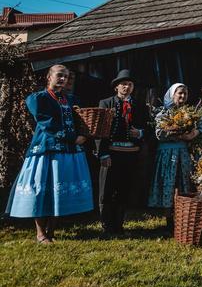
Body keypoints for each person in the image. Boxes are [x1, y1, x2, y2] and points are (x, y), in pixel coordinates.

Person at [5, 64, 93, 243]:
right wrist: (71, 137)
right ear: (49, 77)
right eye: (60, 75)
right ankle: (40, 233)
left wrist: (84, 134)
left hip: (68, 152)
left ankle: (51, 231)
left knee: (59, 192)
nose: (63, 79)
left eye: (66, 77)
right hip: (46, 151)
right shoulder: (38, 98)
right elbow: (47, 123)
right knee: (42, 191)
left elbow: (80, 121)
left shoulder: (70, 99)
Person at [98, 69, 147, 235]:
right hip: (111, 153)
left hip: (130, 153)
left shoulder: (139, 105)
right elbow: (100, 130)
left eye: (130, 84)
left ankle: (119, 226)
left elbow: (148, 128)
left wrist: (139, 133)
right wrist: (103, 154)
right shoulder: (106, 103)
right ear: (116, 87)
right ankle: (107, 226)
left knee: (124, 190)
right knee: (107, 190)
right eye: (123, 84)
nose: (127, 87)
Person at [148, 83, 202, 226]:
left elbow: (200, 129)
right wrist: (176, 133)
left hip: (183, 153)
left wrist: (192, 135)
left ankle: (182, 216)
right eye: (180, 93)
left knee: (182, 183)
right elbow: (159, 133)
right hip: (167, 154)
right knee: (168, 183)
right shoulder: (164, 112)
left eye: (185, 93)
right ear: (173, 95)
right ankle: (169, 220)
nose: (183, 96)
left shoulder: (191, 113)